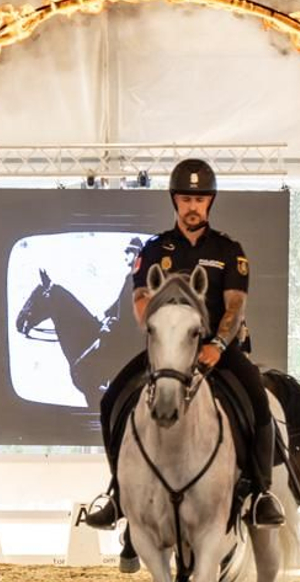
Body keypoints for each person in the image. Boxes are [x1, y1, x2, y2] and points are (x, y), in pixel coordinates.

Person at [82, 158, 286, 529]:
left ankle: (261, 493)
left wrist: (218, 346)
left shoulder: (229, 251)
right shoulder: (155, 249)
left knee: (257, 400)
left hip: (216, 350)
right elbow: (141, 302)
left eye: (200, 199)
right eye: (186, 199)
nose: (193, 206)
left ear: (210, 203)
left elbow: (235, 307)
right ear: (174, 201)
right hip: (169, 350)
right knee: (112, 398)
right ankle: (117, 494)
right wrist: (165, 328)